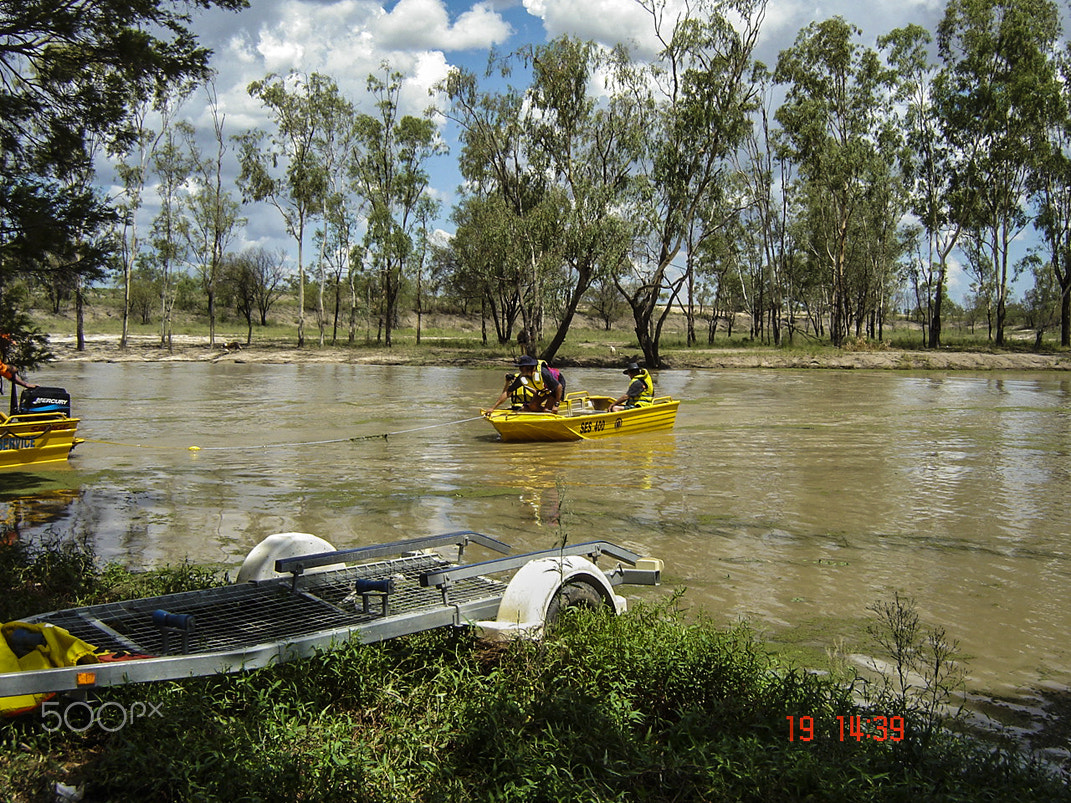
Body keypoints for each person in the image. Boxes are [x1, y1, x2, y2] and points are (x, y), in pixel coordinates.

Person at [486, 355, 564, 414]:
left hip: (556, 387)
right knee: (533, 406)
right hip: (544, 389)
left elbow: (558, 387)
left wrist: (556, 405)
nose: (519, 369)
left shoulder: (543, 373)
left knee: (551, 406)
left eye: (521, 367)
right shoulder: (522, 377)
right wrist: (493, 408)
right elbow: (508, 392)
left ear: (528, 367)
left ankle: (550, 412)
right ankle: (546, 412)